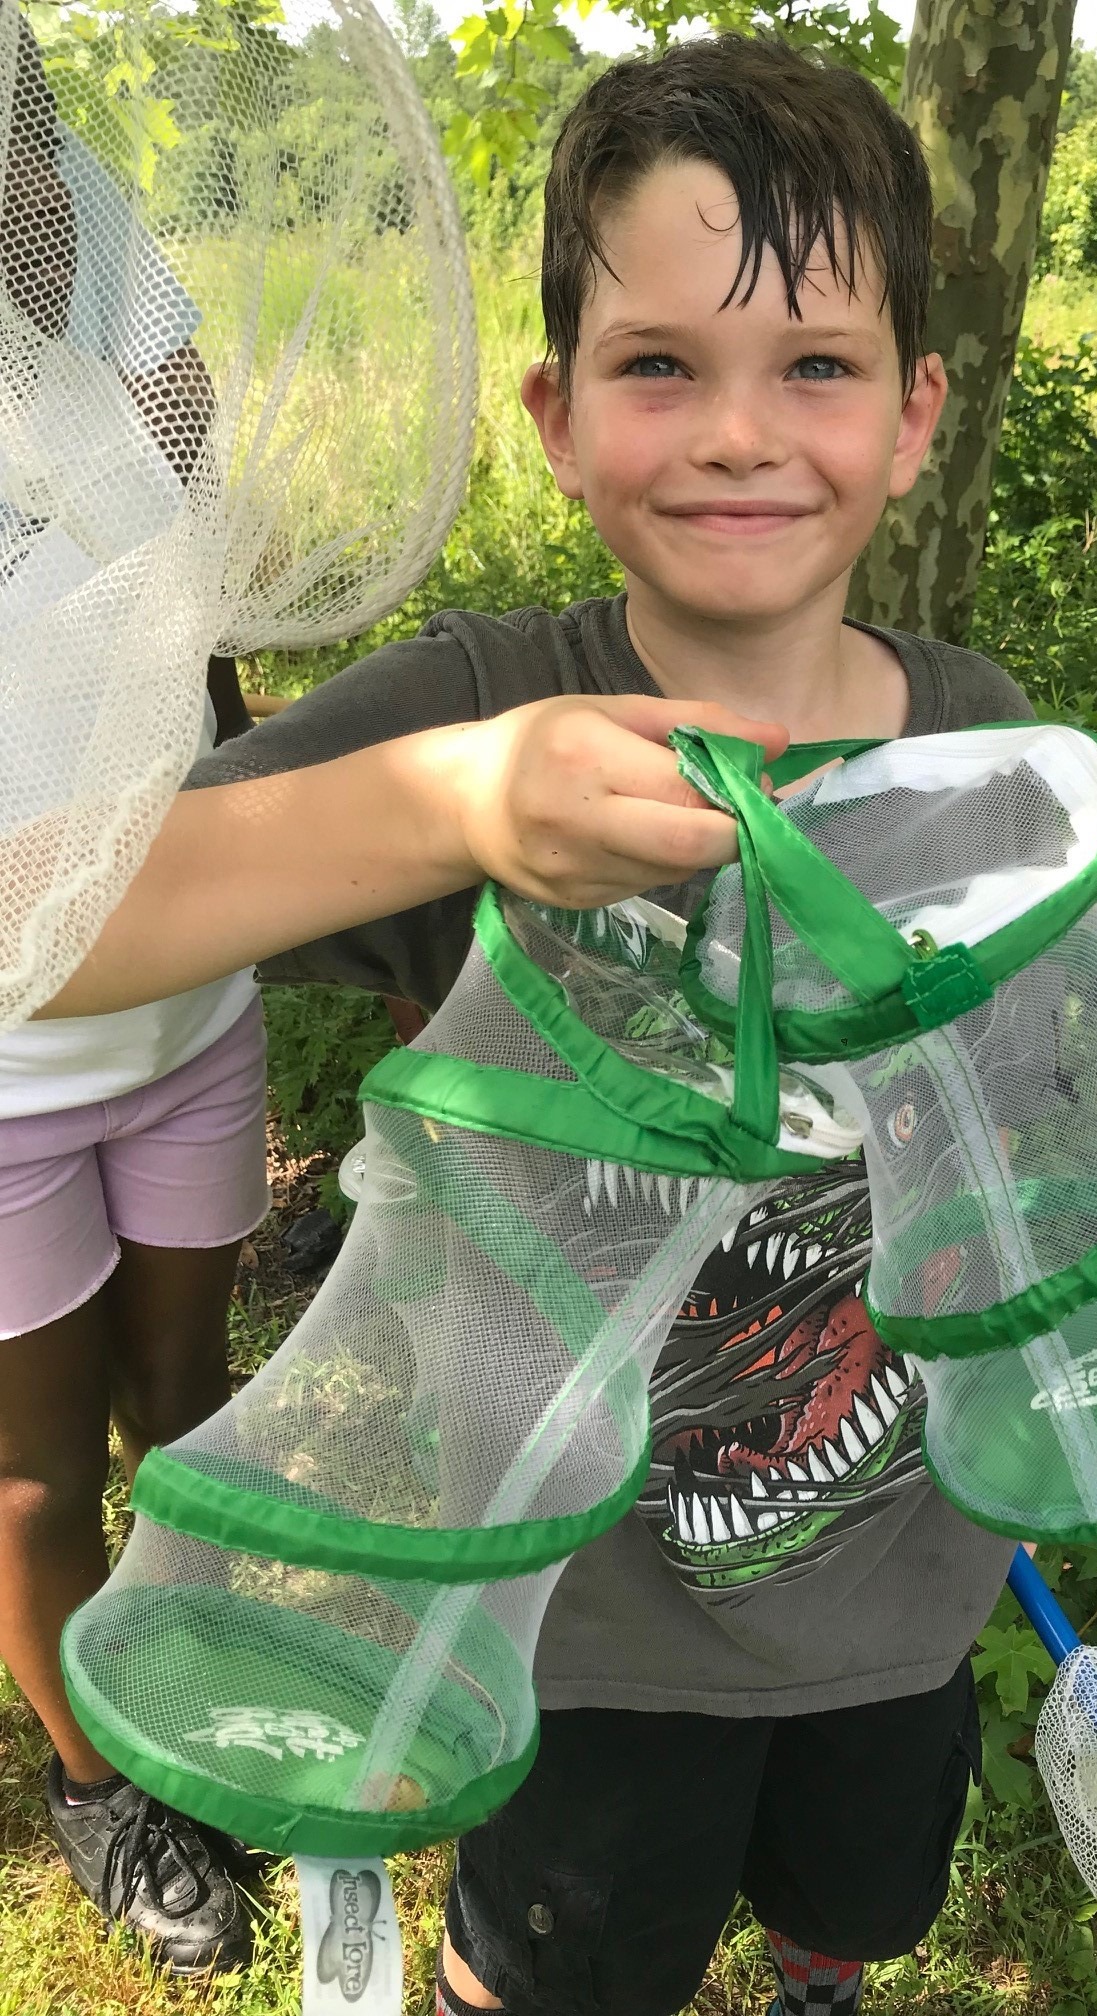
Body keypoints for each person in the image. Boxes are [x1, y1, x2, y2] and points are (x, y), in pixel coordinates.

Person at [45, 35, 1034, 2016]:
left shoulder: (979, 729)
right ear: (556, 416)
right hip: (585, 1637)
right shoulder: (480, 715)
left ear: (916, 417)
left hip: (905, 1587)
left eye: (818, 366)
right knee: (566, 1969)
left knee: (853, 1894)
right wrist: (449, 805)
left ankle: (820, 1973)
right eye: (660, 364)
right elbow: (49, 930)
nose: (743, 432)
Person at [0, 5, 260, 1974]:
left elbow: (174, 428)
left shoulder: (78, 211)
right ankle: (102, 1783)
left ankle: (196, 1701)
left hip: (187, 1010)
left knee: (188, 1403)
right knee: (27, 1475)